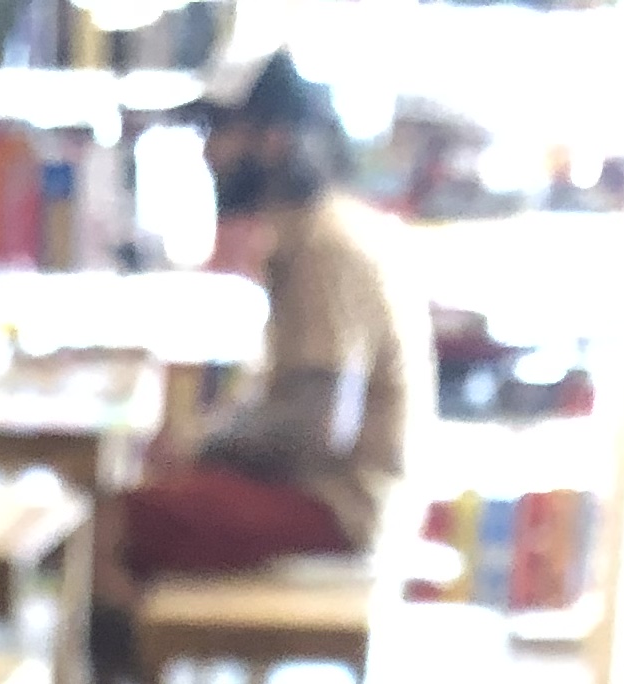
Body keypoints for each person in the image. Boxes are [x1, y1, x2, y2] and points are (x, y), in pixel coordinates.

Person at [116, 55, 433, 580]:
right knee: (144, 497)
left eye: (220, 133)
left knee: (114, 518)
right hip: (340, 497)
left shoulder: (326, 246)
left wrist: (202, 446)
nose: (208, 153)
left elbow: (320, 425)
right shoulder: (318, 229)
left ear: (273, 139)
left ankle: (132, 660)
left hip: (342, 509)